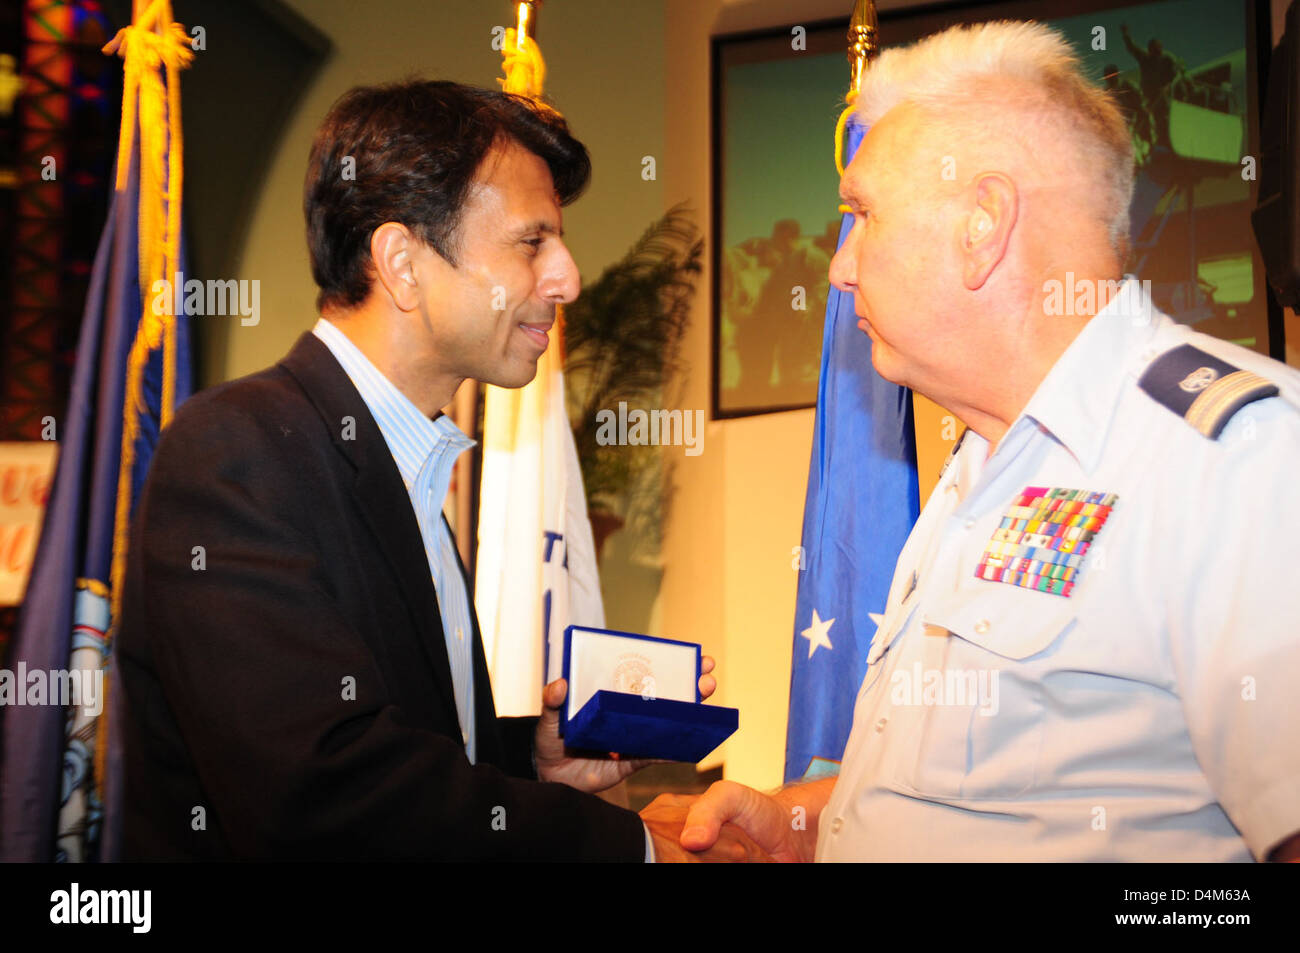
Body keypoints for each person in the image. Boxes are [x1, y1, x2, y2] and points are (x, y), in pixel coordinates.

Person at [652, 20, 1300, 862]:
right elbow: (972, 804)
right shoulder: (981, 460)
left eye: (861, 214)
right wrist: (799, 822)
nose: (838, 268)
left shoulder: (1239, 459)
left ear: (982, 223)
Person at [116, 80, 760, 862]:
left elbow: (410, 745)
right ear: (403, 264)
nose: (568, 278)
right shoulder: (237, 453)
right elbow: (323, 797)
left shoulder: (405, 459)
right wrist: (632, 847)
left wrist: (532, 761)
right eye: (533, 242)